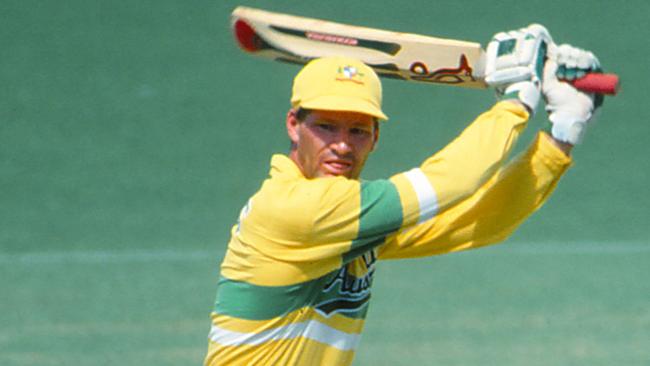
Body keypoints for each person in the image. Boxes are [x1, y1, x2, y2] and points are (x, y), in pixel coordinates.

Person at [204, 24, 604, 365]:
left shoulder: (355, 220)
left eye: (357, 131)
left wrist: (563, 132)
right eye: (326, 126)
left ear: (375, 138)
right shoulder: (296, 211)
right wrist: (517, 100)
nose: (342, 145)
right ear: (294, 125)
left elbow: (477, 221)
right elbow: (453, 180)